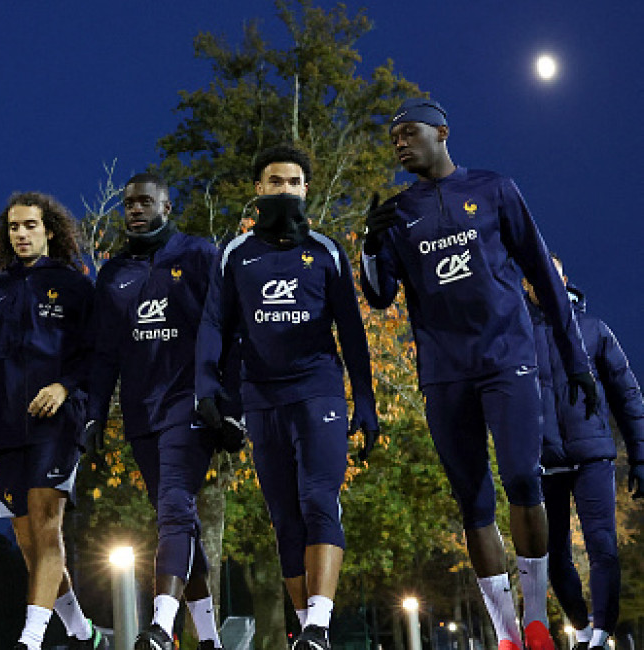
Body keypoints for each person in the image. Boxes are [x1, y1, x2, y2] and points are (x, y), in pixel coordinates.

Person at [360, 98, 598, 650]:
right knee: (473, 500)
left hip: (507, 360)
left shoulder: (495, 190)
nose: (400, 143)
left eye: (410, 133)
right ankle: (507, 633)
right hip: (444, 372)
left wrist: (576, 361)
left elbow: (544, 275)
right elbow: (378, 297)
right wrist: (372, 246)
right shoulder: (399, 214)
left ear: (442, 131)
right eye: (394, 137)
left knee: (521, 477)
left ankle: (535, 618)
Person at [197, 145, 378, 650]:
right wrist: (206, 389)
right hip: (259, 397)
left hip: (317, 388)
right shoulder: (235, 254)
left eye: (294, 182)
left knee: (319, 498)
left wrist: (364, 400)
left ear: (306, 190)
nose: (284, 189)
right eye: (274, 181)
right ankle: (309, 632)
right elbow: (214, 324)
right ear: (258, 190)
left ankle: (318, 622)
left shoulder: (326, 251)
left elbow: (352, 331)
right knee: (282, 515)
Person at [88, 173, 233, 650]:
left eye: (145, 202)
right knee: (180, 521)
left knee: (174, 506)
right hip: (140, 412)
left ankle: (160, 626)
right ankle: (210, 639)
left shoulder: (198, 256)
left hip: (189, 404)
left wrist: (227, 399)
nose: (134, 209)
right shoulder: (113, 275)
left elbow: (225, 328)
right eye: (128, 203)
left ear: (167, 208)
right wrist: (94, 415)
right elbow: (105, 353)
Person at [0, 192, 106, 650]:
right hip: (6, 431)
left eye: (30, 225)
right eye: (14, 227)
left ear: (49, 230)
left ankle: (29, 640)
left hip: (58, 425)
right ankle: (82, 634)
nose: (21, 233)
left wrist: (65, 387)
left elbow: (97, 355)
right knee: (28, 543)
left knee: (48, 527)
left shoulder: (75, 285)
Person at [526, 255, 644, 650]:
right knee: (554, 555)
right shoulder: (515, 338)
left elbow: (627, 396)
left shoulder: (594, 331)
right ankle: (579, 628)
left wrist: (640, 456)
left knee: (602, 547)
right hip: (546, 463)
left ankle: (600, 636)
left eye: (550, 273)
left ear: (563, 279)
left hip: (593, 456)